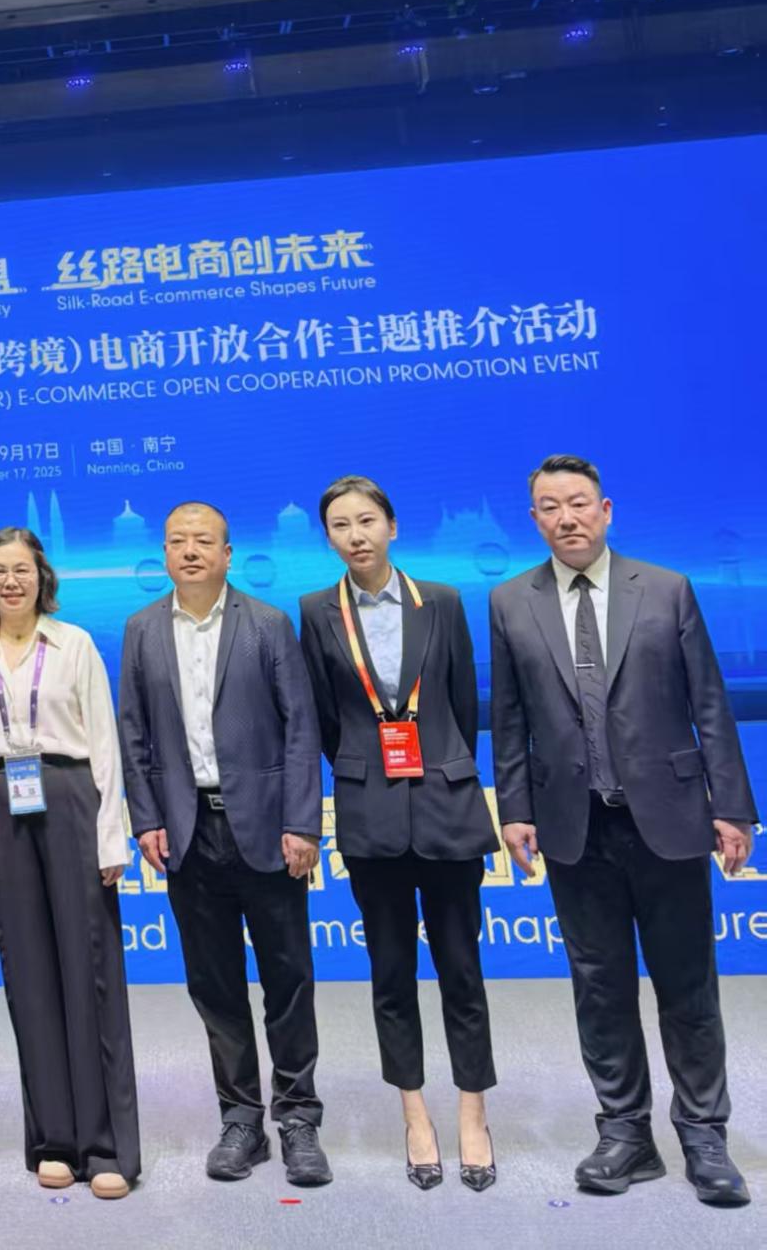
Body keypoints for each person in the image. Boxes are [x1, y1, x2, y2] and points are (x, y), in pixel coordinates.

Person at [490, 454, 756, 1207]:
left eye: (578, 503)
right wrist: (515, 807)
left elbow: (710, 703)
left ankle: (703, 1135)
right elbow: (509, 718)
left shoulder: (666, 588)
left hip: (668, 818)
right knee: (600, 988)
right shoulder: (510, 602)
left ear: (605, 511)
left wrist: (733, 806)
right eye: (550, 507)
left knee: (687, 985)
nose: (566, 517)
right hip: (574, 826)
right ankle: (625, 1133)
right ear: (534, 520)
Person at [117, 502, 329, 1187]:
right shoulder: (142, 629)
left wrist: (303, 823)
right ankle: (241, 1119)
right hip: (187, 833)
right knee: (214, 985)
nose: (190, 551)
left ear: (227, 553)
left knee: (288, 980)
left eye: (203, 541)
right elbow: (134, 734)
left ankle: (298, 1120)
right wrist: (146, 818)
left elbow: (301, 729)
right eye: (177, 541)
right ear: (163, 552)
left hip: (269, 830)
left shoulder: (266, 624)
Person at [298, 476, 497, 1192]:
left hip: (447, 804)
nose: (355, 535)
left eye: (367, 520)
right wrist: (363, 768)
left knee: (461, 970)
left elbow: (462, 703)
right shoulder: (315, 611)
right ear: (328, 538)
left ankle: (472, 1114)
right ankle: (415, 1115)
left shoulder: (440, 600)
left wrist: (439, 763)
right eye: (340, 525)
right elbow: (324, 718)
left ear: (392, 527)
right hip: (369, 812)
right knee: (390, 974)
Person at [0, 526, 139, 1200]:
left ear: (42, 577)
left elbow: (105, 744)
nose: (11, 582)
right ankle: (55, 1141)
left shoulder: (76, 644)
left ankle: (106, 1145)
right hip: (1, 803)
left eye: (23, 570)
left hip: (69, 798)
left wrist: (111, 835)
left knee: (90, 973)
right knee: (29, 976)